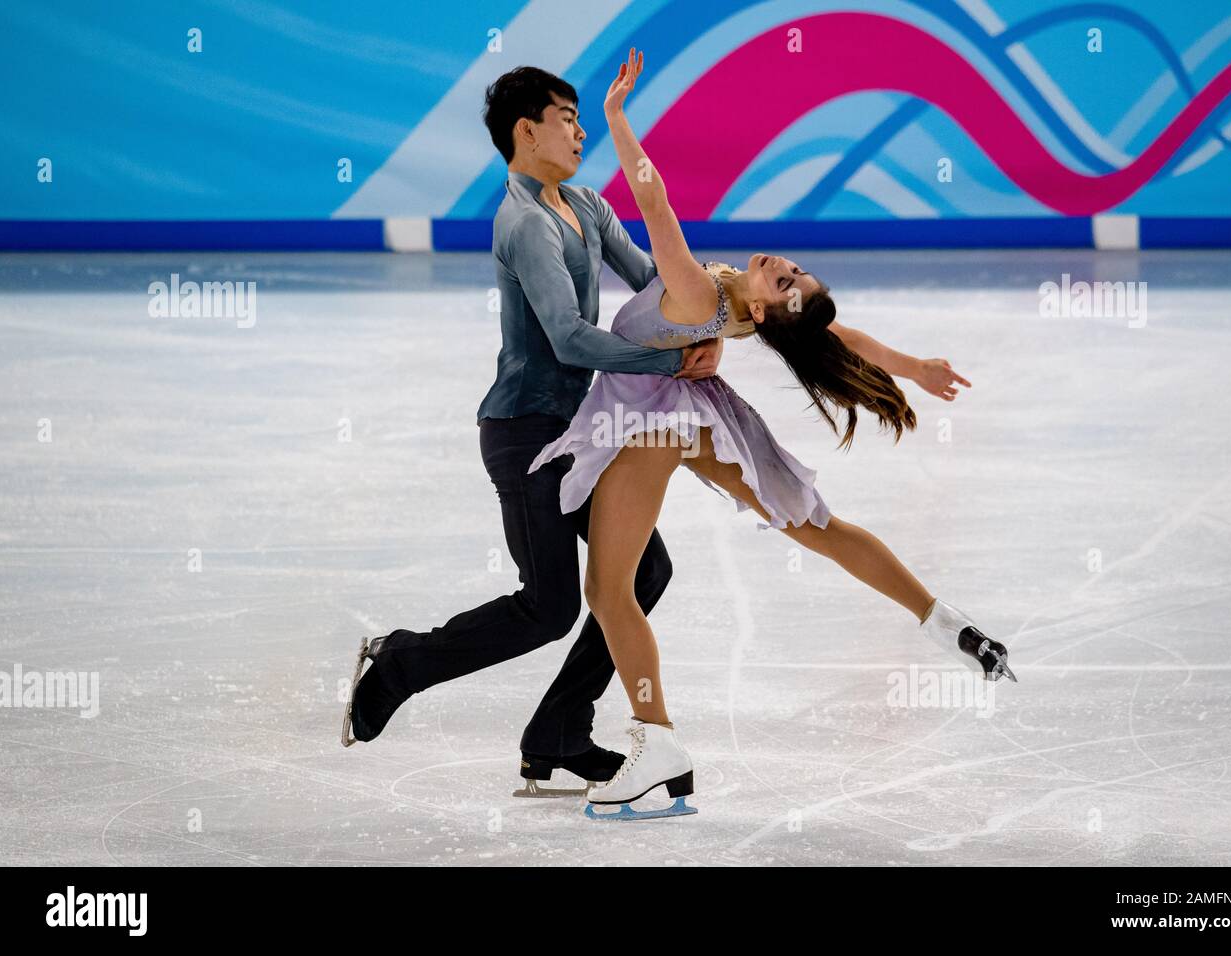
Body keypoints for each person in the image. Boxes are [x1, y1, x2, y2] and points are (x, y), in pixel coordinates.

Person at [526, 50, 1016, 817]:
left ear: (773, 309)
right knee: (815, 526)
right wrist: (912, 366)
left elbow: (653, 204)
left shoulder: (698, 292)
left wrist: (618, 116)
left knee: (608, 588)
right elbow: (837, 337)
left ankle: (657, 745)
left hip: (650, 417)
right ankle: (941, 620)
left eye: (788, 283)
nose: (784, 267)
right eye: (795, 270)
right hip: (693, 410)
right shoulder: (747, 310)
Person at [341, 66, 723, 798]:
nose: (581, 133)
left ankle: (559, 728)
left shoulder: (584, 204)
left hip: (578, 430)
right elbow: (571, 339)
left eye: (583, 120)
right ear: (527, 130)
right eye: (568, 118)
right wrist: (672, 358)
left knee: (644, 572)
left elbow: (654, 286)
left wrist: (709, 318)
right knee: (549, 605)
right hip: (523, 431)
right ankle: (400, 664)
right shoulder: (522, 222)